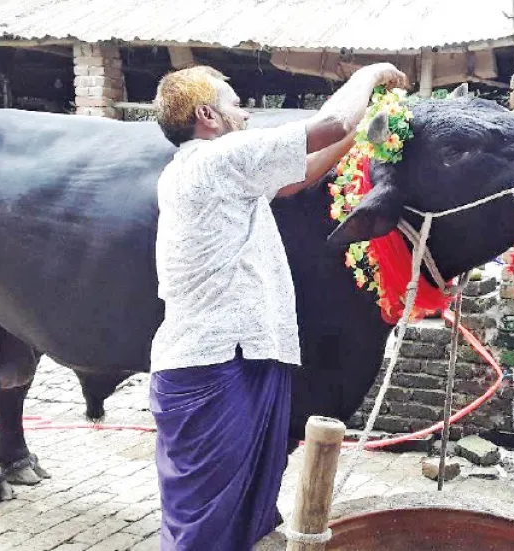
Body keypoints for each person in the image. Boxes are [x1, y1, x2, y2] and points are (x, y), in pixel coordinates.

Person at [148, 63, 408, 551]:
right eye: (233, 102)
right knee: (205, 528)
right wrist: (371, 75)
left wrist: (367, 129)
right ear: (207, 115)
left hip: (241, 357)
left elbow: (297, 177)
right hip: (210, 366)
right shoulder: (215, 158)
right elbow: (329, 125)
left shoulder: (212, 170)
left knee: (249, 511)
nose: (243, 112)